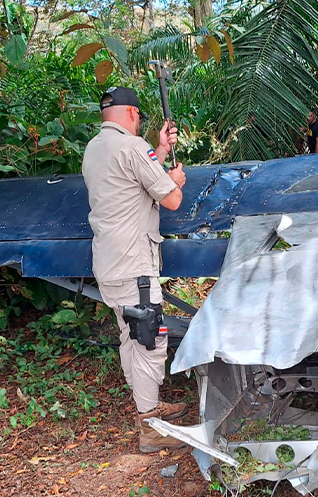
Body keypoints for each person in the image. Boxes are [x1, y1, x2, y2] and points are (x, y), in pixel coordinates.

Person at [81, 86, 189, 453]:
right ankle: (149, 429)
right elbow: (171, 199)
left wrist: (157, 152)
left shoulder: (95, 148)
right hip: (134, 266)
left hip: (109, 264)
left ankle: (150, 410)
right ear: (131, 114)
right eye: (140, 117)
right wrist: (173, 180)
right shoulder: (131, 147)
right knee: (150, 340)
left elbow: (131, 181)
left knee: (131, 338)